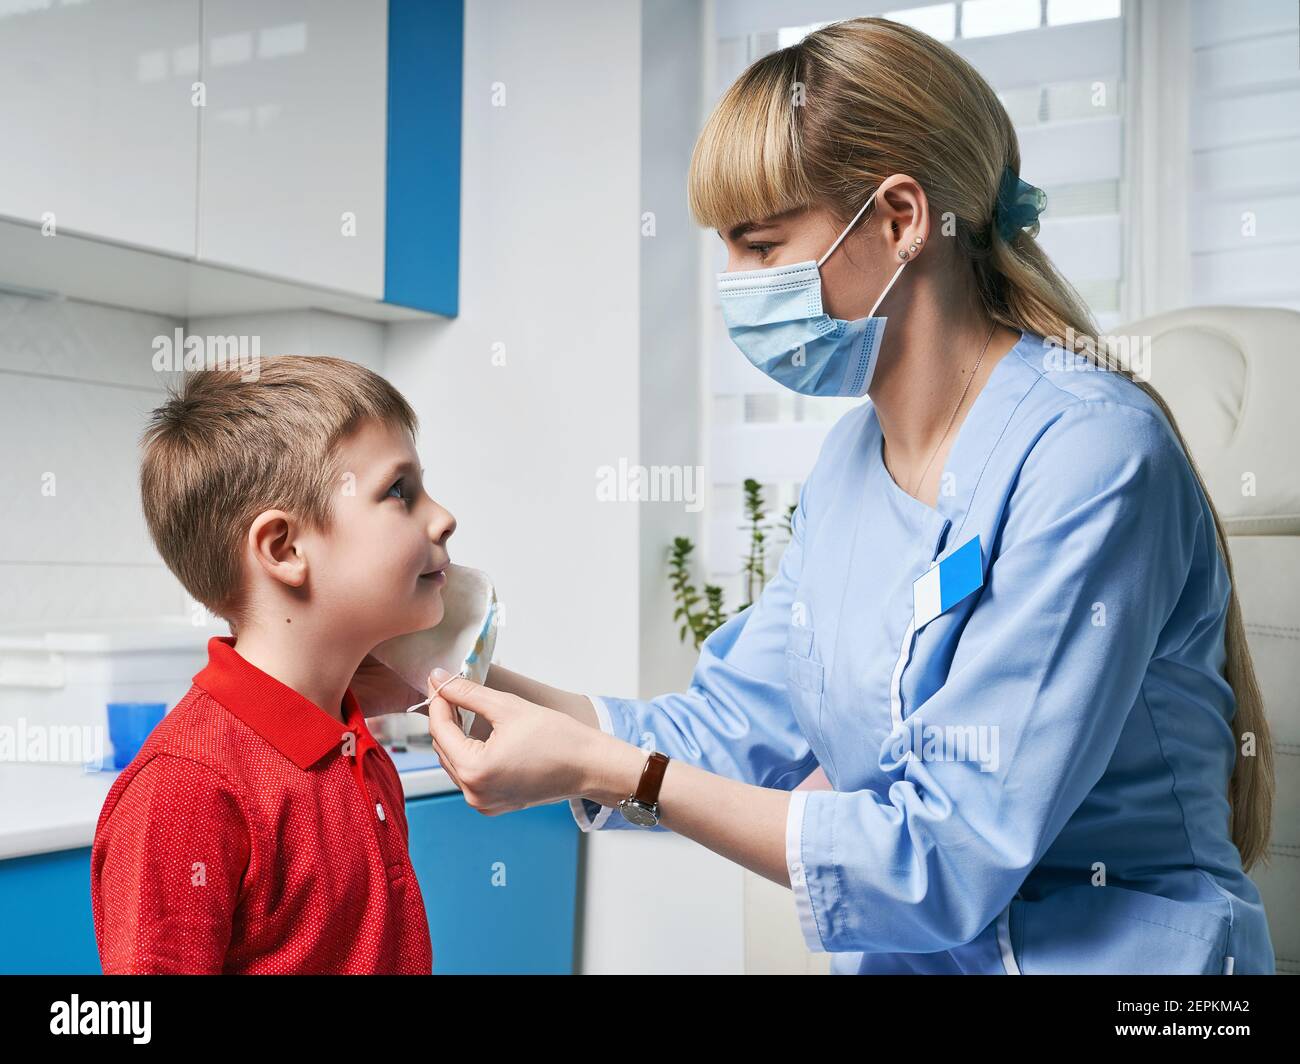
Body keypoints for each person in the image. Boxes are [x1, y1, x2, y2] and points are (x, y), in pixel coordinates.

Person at [418, 17, 1276, 975]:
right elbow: (729, 733)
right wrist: (450, 676)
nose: (733, 286)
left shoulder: (1093, 456)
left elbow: (947, 856)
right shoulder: (847, 468)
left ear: (902, 220)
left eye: (759, 244)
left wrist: (607, 769)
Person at [92, 356, 454, 973]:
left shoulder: (355, 743)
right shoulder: (187, 789)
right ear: (284, 549)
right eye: (399, 491)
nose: (443, 517)